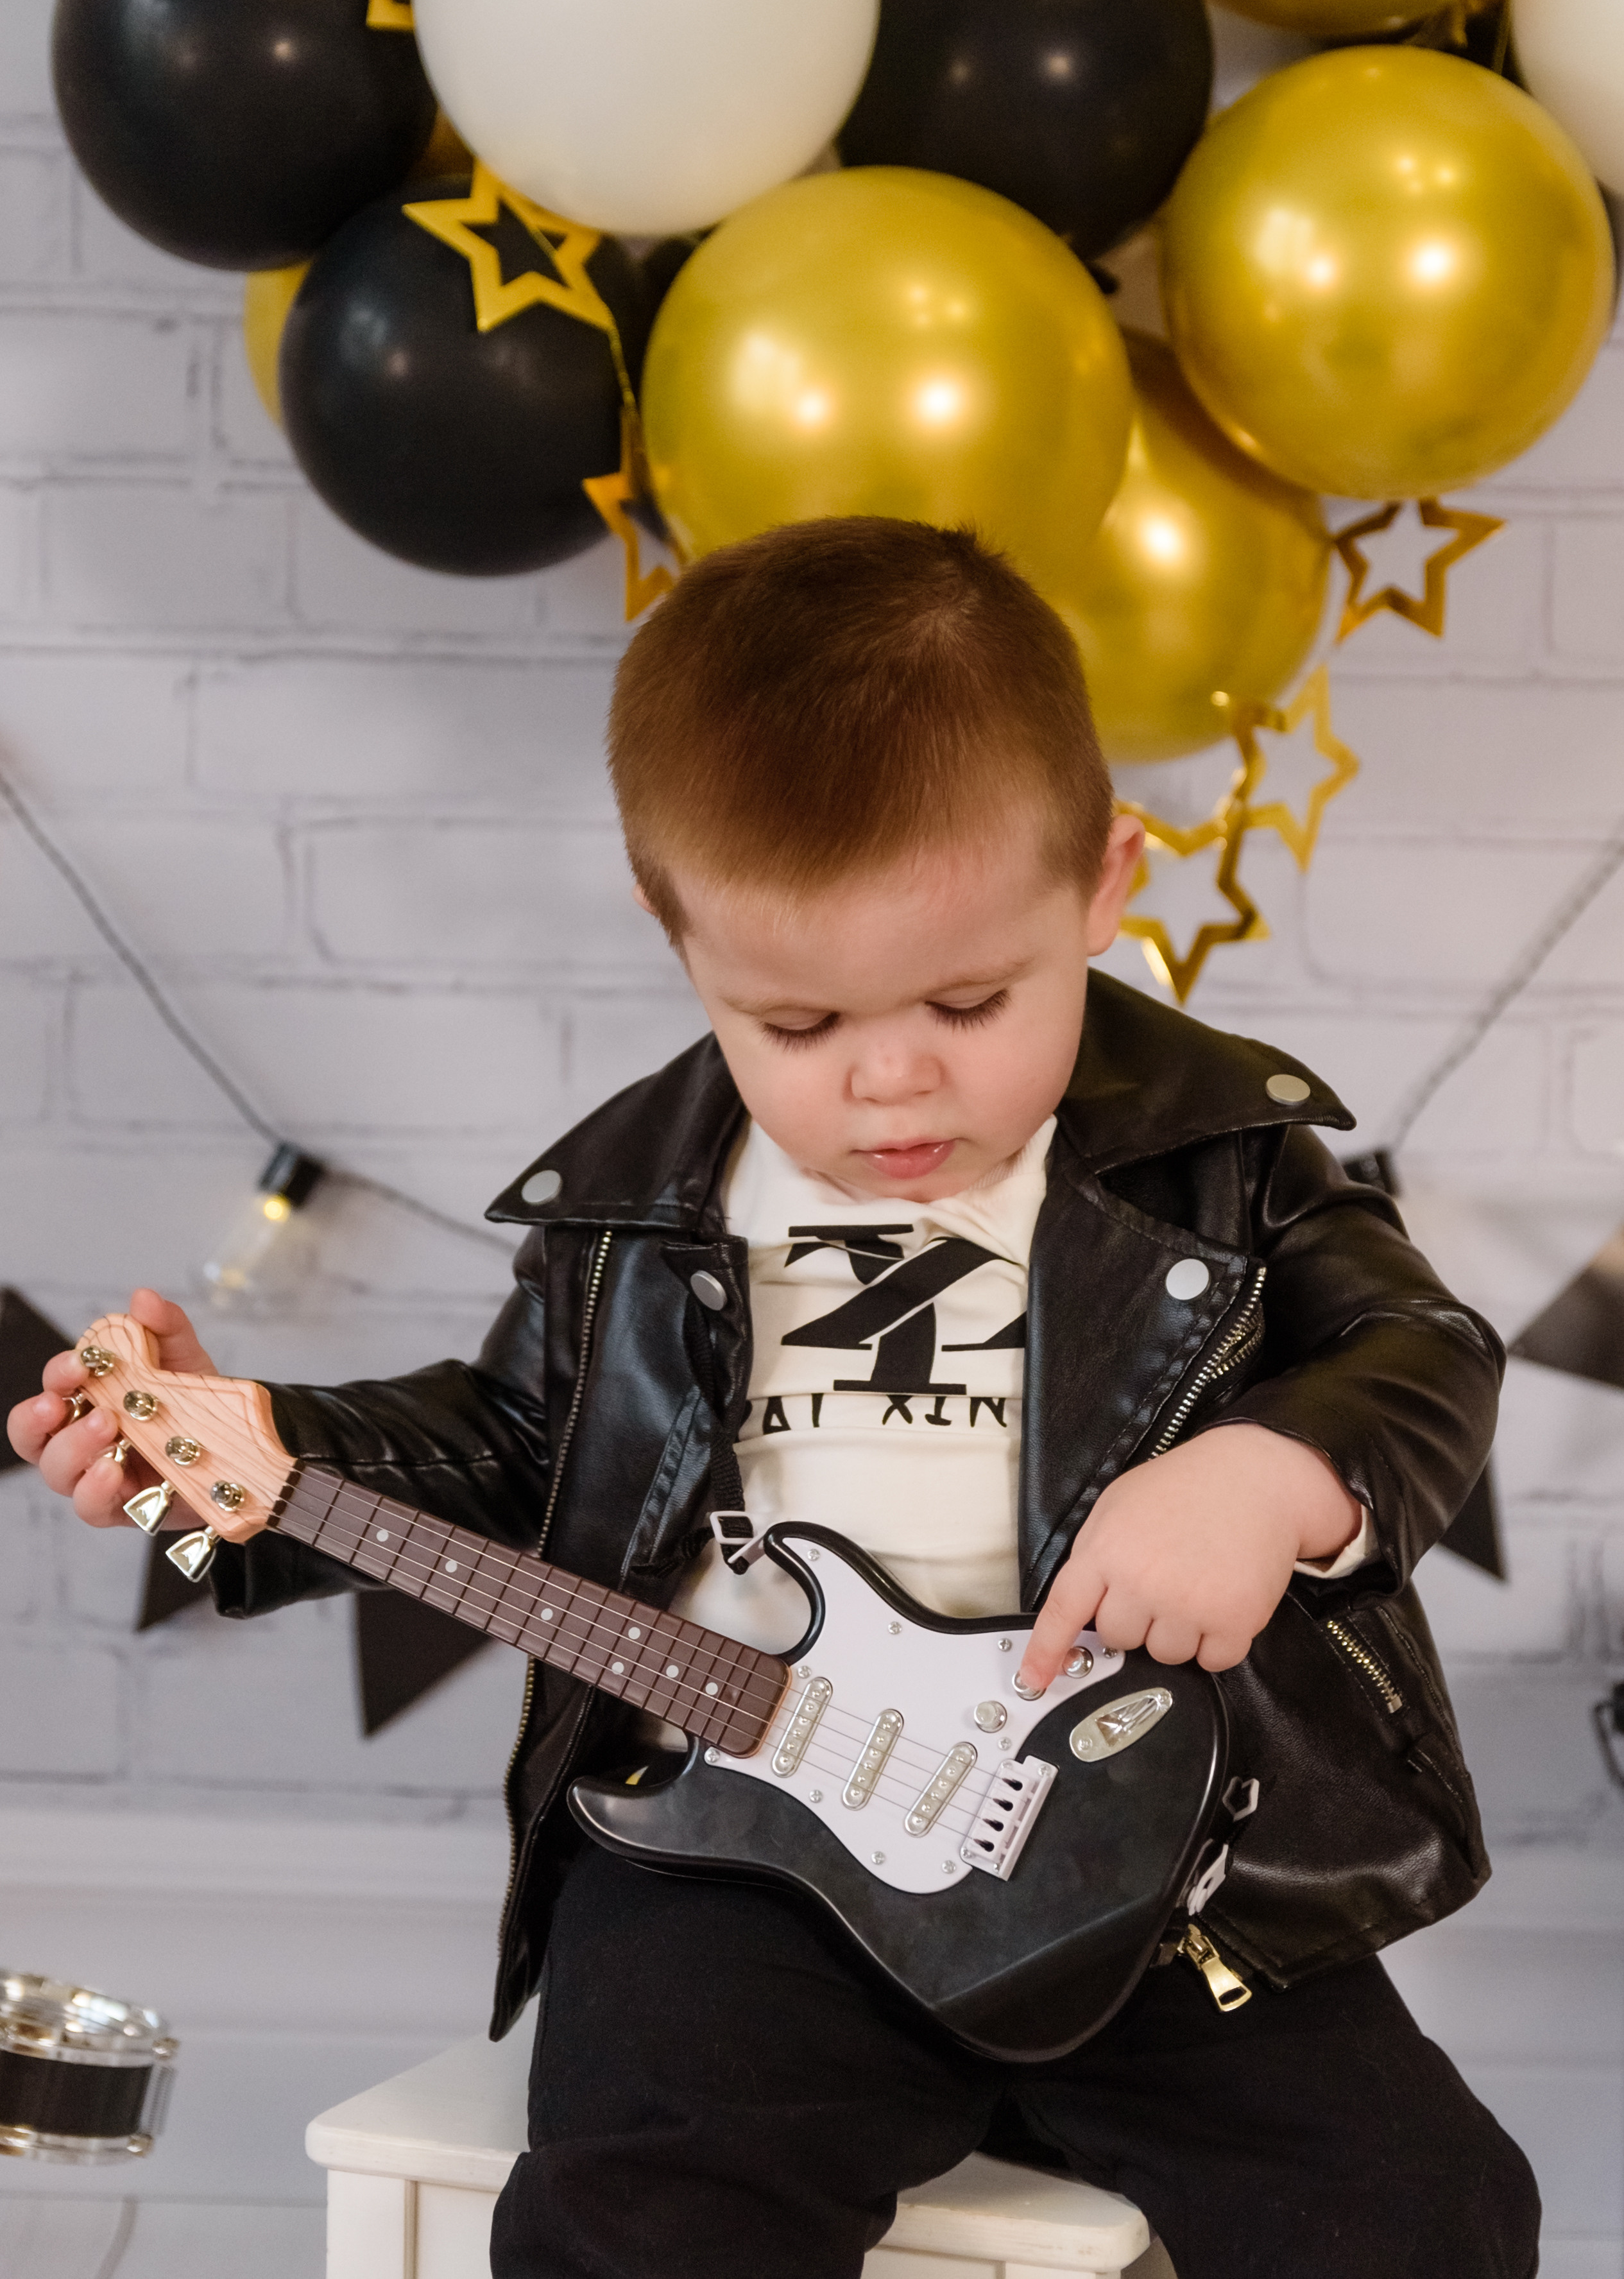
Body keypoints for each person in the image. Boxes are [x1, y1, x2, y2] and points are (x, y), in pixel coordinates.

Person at [13, 519, 1537, 2278]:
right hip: (739, 1859)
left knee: (1419, 2213)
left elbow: (1420, 1351)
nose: (891, 1078)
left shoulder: (1225, 1159)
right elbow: (515, 1453)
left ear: (1107, 882)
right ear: (681, 938)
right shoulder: (639, 1207)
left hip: (1147, 1855)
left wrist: (1272, 1472)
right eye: (798, 1022)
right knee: (643, 2216)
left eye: (970, 999)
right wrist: (273, 1457)